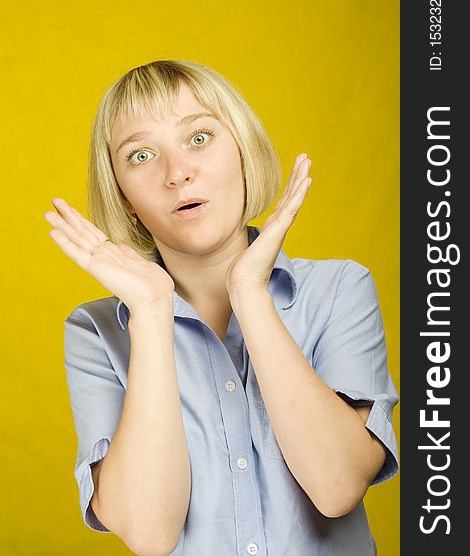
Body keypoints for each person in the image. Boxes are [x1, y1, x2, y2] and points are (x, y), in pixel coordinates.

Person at [45, 59, 399, 556]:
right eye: (141, 155)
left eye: (198, 137)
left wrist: (249, 293)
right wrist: (149, 311)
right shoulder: (97, 331)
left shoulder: (339, 289)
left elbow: (338, 487)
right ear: (123, 196)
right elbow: (150, 534)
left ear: (241, 149)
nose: (178, 173)